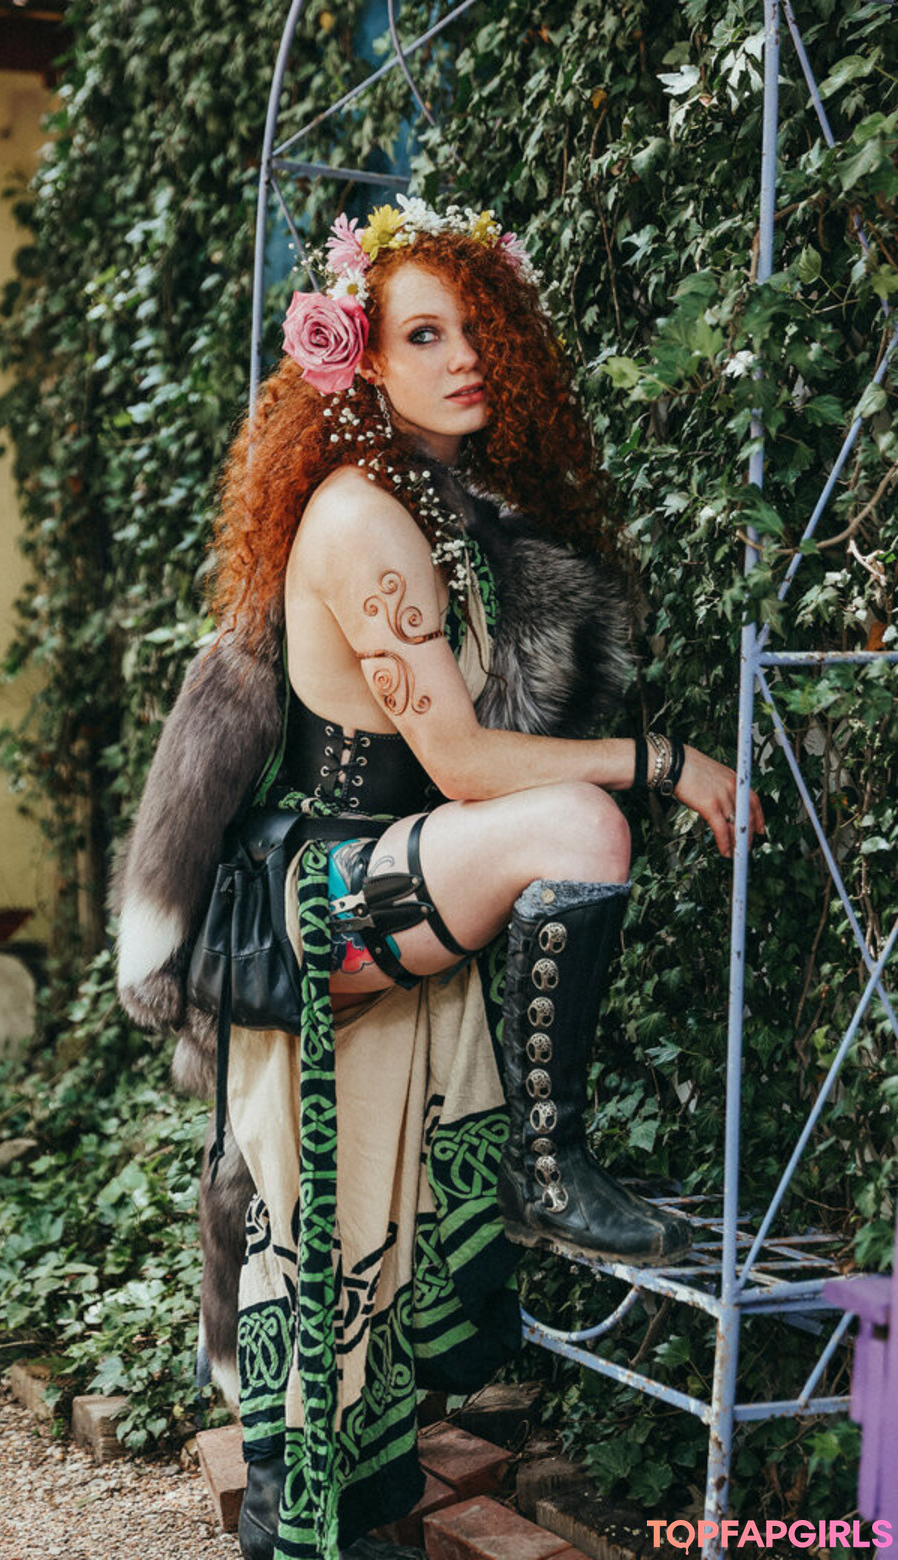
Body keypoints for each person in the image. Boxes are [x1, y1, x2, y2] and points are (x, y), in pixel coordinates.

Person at [116, 197, 764, 1560]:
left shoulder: (445, 513)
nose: (463, 356)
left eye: (478, 329)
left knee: (377, 1238)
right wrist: (665, 762)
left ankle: (362, 1512)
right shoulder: (363, 517)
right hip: (316, 897)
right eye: (423, 334)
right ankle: (544, 1161)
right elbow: (466, 766)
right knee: (582, 827)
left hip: (387, 877)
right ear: (359, 356)